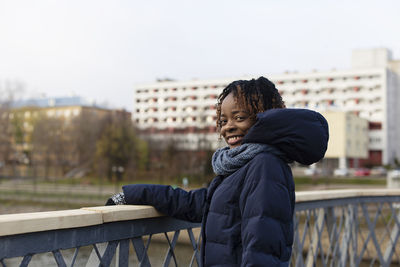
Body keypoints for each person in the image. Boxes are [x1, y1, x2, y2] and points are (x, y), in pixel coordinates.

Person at [106, 77, 329, 266]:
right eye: (223, 120)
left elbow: (263, 250)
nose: (227, 127)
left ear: (265, 119)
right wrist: (133, 194)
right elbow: (197, 203)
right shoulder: (243, 166)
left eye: (239, 118)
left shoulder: (264, 166)